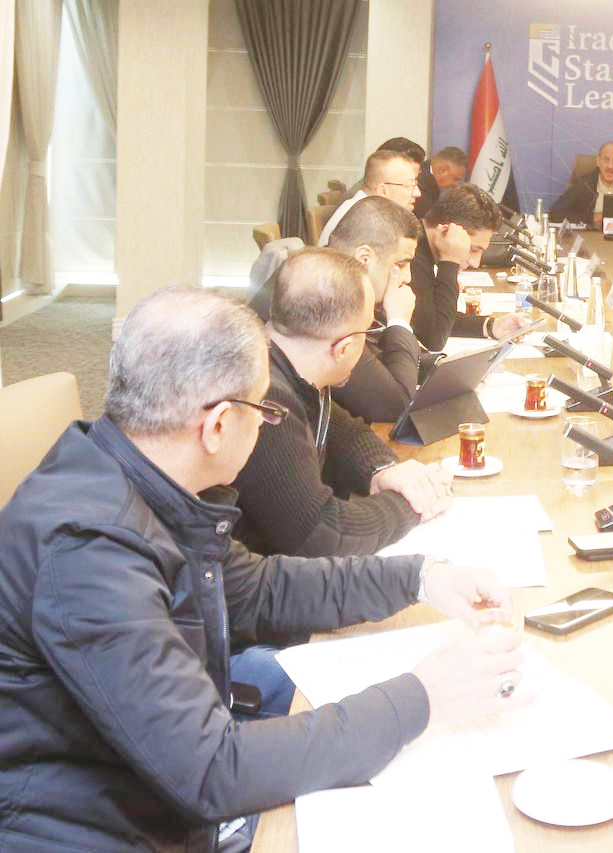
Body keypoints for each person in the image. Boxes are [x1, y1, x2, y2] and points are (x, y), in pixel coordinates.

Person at [0, 286, 530, 850]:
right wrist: (425, 698)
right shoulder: (90, 554)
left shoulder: (137, 476)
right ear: (218, 425)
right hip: (105, 827)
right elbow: (212, 771)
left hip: (150, 779)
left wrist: (421, 577)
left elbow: (256, 588)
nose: (266, 426)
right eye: (265, 411)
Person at [232, 249, 452, 557]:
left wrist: (383, 470)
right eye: (368, 330)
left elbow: (345, 432)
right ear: (344, 348)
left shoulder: (289, 365)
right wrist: (411, 503)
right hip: (256, 578)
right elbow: (321, 534)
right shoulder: (266, 398)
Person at [326, 196, 425, 422]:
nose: (408, 277)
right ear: (363, 259)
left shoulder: (334, 277)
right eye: (401, 264)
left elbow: (379, 357)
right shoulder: (326, 303)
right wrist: (399, 322)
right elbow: (394, 405)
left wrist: (446, 370)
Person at [410, 183, 529, 351]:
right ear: (447, 232)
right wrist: (450, 261)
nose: (475, 263)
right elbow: (434, 337)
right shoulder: (412, 255)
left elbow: (432, 318)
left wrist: (490, 326)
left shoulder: (421, 245)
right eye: (473, 249)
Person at [320, 148, 422, 246]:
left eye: (415, 184)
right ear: (383, 191)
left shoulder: (371, 210)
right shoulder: (363, 219)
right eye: (410, 185)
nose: (417, 193)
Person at [550, 141, 613, 229]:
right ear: (598, 161)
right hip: (591, 237)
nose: (610, 166)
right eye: (606, 160)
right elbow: (555, 213)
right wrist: (591, 218)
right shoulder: (584, 184)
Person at [417, 145, 468, 218]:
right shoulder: (420, 187)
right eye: (456, 179)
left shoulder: (425, 175)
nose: (456, 185)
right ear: (443, 170)